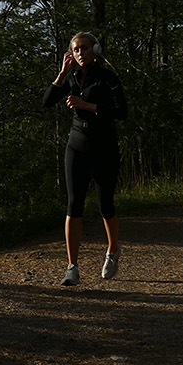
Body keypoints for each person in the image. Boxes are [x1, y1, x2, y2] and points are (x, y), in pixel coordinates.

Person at [44, 32, 128, 286]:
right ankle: (72, 267)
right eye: (76, 49)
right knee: (74, 205)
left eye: (84, 48)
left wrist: (88, 106)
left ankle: (112, 251)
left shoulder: (108, 78)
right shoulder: (70, 77)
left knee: (105, 205)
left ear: (96, 49)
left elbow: (122, 112)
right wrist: (61, 74)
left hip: (104, 147)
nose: (80, 53)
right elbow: (47, 101)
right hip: (77, 146)